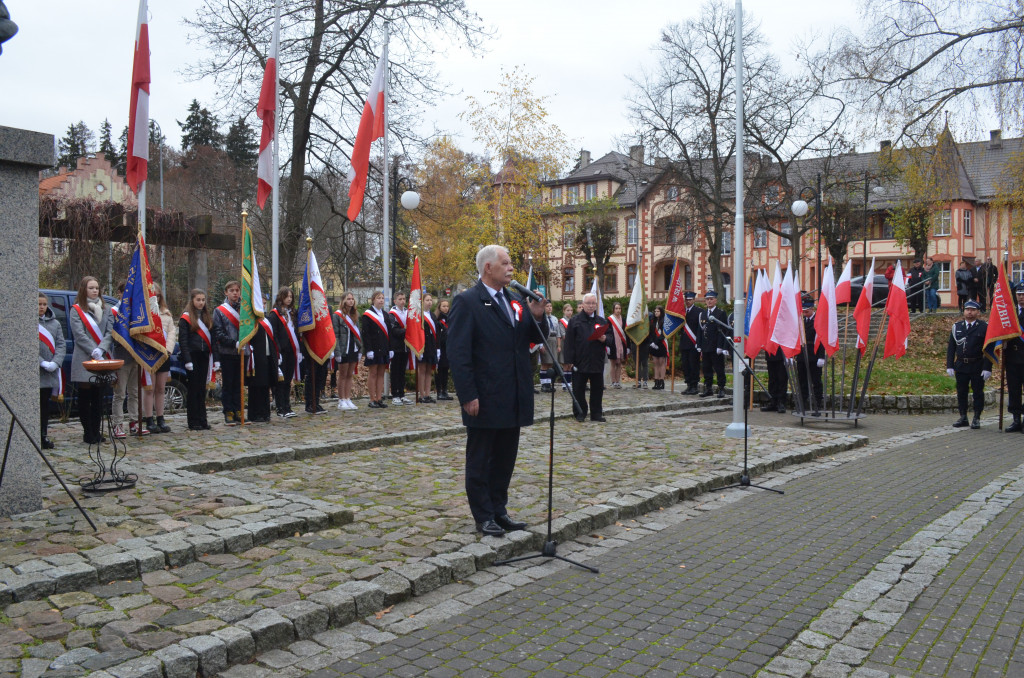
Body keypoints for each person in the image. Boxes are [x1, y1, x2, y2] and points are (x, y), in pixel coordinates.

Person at [448, 245, 545, 538]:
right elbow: (458, 352)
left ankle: (499, 509)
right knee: (481, 459)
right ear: (488, 268)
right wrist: (467, 394)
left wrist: (537, 316)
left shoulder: (514, 300)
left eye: (511, 262)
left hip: (513, 393)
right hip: (485, 395)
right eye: (505, 263)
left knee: (505, 457)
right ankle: (483, 515)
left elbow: (528, 338)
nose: (511, 267)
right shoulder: (467, 302)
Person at [69, 276, 113, 444]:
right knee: (85, 396)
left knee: (98, 397)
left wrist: (100, 349)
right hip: (84, 356)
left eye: (97, 288)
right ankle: (88, 432)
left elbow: (110, 332)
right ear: (84, 290)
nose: (95, 290)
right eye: (91, 288)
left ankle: (96, 431)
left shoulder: (106, 309)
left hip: (101, 356)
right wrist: (92, 350)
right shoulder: (77, 310)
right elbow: (79, 334)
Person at [564, 292, 611, 422]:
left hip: (596, 361)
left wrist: (605, 338)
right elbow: (568, 343)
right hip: (579, 362)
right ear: (583, 305)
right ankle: (580, 412)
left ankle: (596, 414)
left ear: (596, 305)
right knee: (578, 390)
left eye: (593, 303)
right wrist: (568, 361)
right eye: (588, 303)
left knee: (597, 390)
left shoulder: (601, 321)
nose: (591, 306)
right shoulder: (575, 321)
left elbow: (611, 338)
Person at [946, 300, 992, 429]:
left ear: (978, 312)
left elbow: (988, 349)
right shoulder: (957, 327)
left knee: (978, 392)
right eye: (967, 309)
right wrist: (950, 365)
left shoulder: (984, 327)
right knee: (961, 392)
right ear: (964, 311)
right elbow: (951, 348)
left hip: (977, 364)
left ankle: (977, 417)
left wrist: (987, 367)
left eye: (973, 310)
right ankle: (963, 417)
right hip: (961, 365)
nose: (970, 312)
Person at [107, 282, 144, 439]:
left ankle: (134, 422)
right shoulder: (114, 312)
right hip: (121, 357)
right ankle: (117, 424)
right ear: (120, 294)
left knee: (135, 393)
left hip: (136, 357)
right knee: (120, 393)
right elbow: (111, 334)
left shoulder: (137, 311)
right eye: (125, 293)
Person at [141, 284, 176, 434]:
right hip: (148, 355)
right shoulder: (143, 314)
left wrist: (167, 350)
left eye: (158, 296)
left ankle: (160, 417)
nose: (156, 298)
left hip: (163, 354)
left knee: (161, 388)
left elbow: (172, 333)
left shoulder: (166, 314)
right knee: (149, 388)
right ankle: (149, 418)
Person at [178, 289, 213, 431]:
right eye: (198, 300)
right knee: (193, 389)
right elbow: (183, 341)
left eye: (203, 300)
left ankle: (202, 419)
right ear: (192, 300)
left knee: (201, 389)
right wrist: (187, 360)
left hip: (204, 355)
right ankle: (193, 421)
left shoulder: (206, 317)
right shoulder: (185, 318)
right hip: (192, 356)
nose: (201, 302)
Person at [212, 280, 242, 425]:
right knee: (228, 383)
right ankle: (228, 412)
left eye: (237, 290)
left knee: (239, 384)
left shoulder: (245, 309)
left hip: (243, 352)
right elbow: (218, 332)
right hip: (227, 351)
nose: (235, 293)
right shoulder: (219, 311)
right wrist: (233, 343)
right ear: (226, 292)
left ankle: (238, 410)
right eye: (232, 290)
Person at [38, 293, 65, 449]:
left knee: (45, 406)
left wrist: (55, 362)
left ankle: (43, 435)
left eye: (44, 304)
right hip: (37, 371)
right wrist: (42, 362)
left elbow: (61, 344)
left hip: (50, 372)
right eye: (39, 304)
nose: (42, 307)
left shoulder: (55, 324)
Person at [269, 287, 300, 418]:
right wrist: (277, 351)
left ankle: (287, 406)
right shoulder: (275, 314)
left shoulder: (293, 313)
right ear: (281, 297)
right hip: (281, 351)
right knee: (280, 381)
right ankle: (280, 407)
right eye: (286, 296)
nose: (289, 299)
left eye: (291, 297)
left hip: (292, 351)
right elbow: (273, 334)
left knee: (288, 380)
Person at [245, 312, 278, 424]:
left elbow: (273, 338)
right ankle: (255, 413)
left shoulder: (267, 320)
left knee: (265, 385)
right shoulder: (251, 320)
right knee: (256, 386)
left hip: (268, 356)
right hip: (256, 357)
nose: (262, 306)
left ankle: (265, 413)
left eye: (264, 303)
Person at [361, 291, 391, 409]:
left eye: (383, 298)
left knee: (381, 374)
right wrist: (368, 349)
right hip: (373, 348)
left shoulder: (385, 314)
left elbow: (389, 332)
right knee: (373, 373)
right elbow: (366, 334)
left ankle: (379, 398)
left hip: (383, 347)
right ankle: (372, 398)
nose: (381, 300)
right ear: (373, 299)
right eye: (379, 298)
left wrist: (390, 348)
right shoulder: (367, 315)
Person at [332, 292, 362, 411]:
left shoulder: (355, 315)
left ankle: (348, 398)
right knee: (343, 374)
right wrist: (337, 352)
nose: (351, 301)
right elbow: (335, 335)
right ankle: (341, 399)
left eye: (352, 299)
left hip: (353, 347)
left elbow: (358, 333)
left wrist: (360, 349)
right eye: (348, 299)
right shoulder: (337, 316)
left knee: (350, 374)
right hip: (343, 348)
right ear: (343, 301)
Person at [698, 290, 730, 398]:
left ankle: (721, 388)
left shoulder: (720, 313)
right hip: (705, 346)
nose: (709, 301)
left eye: (711, 299)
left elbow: (724, 331)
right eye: (707, 299)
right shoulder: (702, 314)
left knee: (719, 368)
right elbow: (700, 331)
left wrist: (721, 346)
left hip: (716, 346)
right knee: (706, 368)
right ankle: (708, 388)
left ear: (715, 300)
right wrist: (699, 345)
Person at [797, 298, 826, 413]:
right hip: (802, 354)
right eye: (803, 311)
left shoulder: (818, 320)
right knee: (802, 380)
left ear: (812, 309)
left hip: (814, 354)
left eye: (807, 311)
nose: (805, 313)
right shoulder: (801, 321)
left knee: (816, 381)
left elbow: (821, 339)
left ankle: (817, 404)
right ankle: (803, 403)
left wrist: (821, 356)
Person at [1003, 282, 1024, 433]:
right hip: (1013, 357)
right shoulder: (1010, 314)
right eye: (1019, 295)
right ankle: (1016, 419)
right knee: (1014, 390)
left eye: (1023, 295)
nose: (1021, 297)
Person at [388, 292, 412, 406]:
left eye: (404, 298)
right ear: (395, 301)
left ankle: (402, 394)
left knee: (402, 371)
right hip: (396, 346)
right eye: (400, 299)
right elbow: (394, 331)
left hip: (406, 346)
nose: (403, 301)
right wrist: (407, 330)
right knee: (395, 371)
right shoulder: (392, 314)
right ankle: (395, 394)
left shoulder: (408, 312)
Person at [418, 293, 439, 403]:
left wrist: (438, 348)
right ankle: (421, 394)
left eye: (431, 300)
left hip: (431, 345)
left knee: (429, 370)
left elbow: (437, 332)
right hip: (423, 345)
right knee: (422, 370)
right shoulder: (419, 315)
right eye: (427, 300)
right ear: (422, 302)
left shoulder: (432, 315)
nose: (430, 302)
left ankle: (427, 393)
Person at [680, 292, 701, 395]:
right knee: (686, 365)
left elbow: (700, 329)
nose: (688, 301)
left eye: (690, 300)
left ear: (694, 300)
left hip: (693, 343)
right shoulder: (682, 311)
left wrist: (699, 342)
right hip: (684, 343)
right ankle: (688, 385)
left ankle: (694, 386)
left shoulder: (699, 312)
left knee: (694, 365)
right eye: (686, 300)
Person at [538, 301, 559, 392]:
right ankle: (544, 384)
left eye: (550, 306)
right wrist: (541, 344)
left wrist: (558, 345)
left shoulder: (554, 318)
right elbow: (540, 332)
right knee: (545, 363)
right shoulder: (541, 318)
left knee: (550, 363)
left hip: (553, 341)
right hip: (545, 340)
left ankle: (549, 383)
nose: (549, 308)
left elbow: (558, 332)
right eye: (547, 306)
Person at [761, 345, 789, 414]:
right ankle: (773, 402)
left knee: (782, 379)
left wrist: (788, 355)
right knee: (772, 380)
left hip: (782, 353)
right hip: (770, 352)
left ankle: (781, 402)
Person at [607, 302, 629, 389]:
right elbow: (607, 333)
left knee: (619, 363)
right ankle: (613, 381)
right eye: (616, 308)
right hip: (613, 344)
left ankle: (617, 381)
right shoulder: (609, 319)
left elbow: (626, 334)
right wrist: (607, 345)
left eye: (619, 308)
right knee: (613, 363)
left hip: (621, 344)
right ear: (613, 309)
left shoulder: (623, 320)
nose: (618, 310)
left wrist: (628, 347)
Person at [435, 298, 454, 400]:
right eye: (443, 306)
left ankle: (445, 390)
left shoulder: (450, 318)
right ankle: (439, 391)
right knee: (440, 369)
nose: (446, 308)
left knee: (446, 369)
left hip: (448, 347)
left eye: (447, 306)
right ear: (439, 307)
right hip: (440, 347)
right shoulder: (437, 320)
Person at [558, 303, 573, 390]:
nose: (569, 312)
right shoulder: (562, 322)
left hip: (572, 345)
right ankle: (564, 384)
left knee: (570, 365)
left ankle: (569, 383)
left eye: (571, 310)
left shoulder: (573, 320)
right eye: (567, 310)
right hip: (565, 344)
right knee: (565, 365)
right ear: (564, 311)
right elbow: (563, 334)